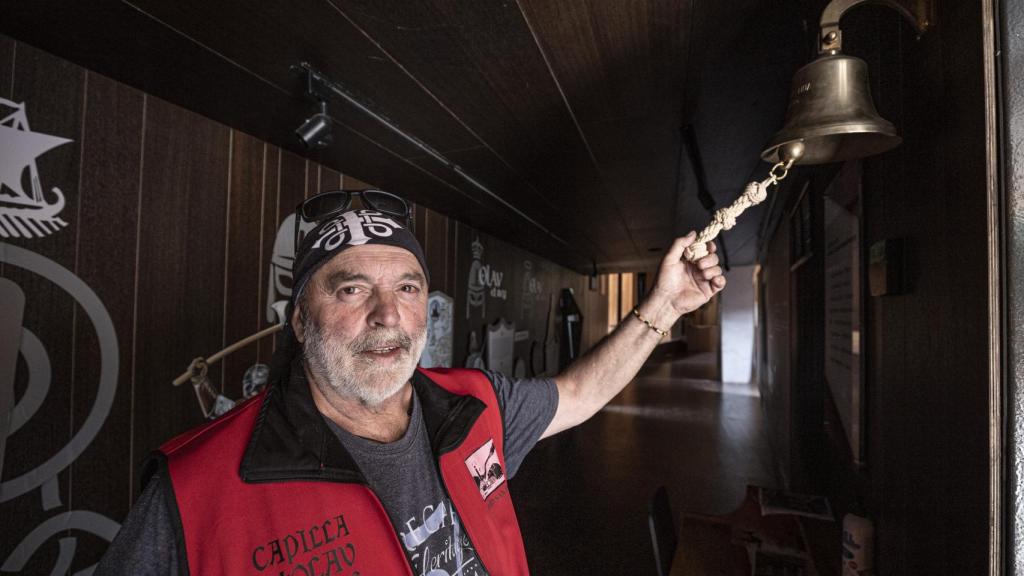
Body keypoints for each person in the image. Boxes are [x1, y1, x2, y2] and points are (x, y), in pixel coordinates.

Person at [96, 190, 725, 576]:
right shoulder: (194, 491)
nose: (387, 315)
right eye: (351, 289)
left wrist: (665, 309)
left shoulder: (473, 404)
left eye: (407, 287)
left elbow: (581, 394)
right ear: (297, 318)